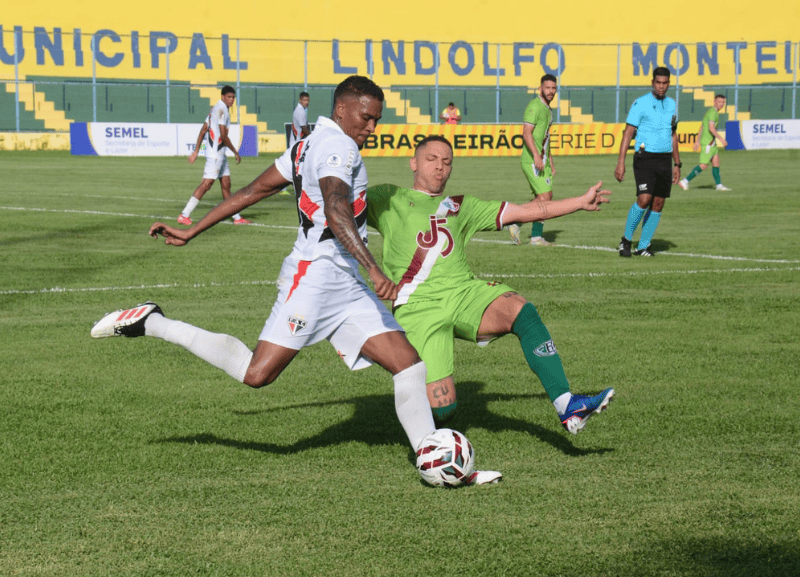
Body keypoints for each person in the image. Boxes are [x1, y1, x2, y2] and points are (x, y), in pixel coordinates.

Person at [90, 77, 501, 486]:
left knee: (407, 364)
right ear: (342, 109)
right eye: (366, 117)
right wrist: (373, 267)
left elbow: (255, 190)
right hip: (316, 277)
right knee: (257, 374)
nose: (371, 127)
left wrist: (193, 229)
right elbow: (337, 209)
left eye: (377, 119)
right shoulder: (337, 146)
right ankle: (152, 321)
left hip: (345, 280)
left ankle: (440, 465)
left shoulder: (309, 142)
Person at [366, 135, 614, 433]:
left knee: (521, 310)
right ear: (413, 163)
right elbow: (340, 208)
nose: (440, 167)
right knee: (443, 410)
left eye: (447, 162)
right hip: (418, 308)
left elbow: (525, 211)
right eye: (432, 159)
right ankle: (432, 444)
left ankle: (567, 405)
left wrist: (579, 202)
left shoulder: (460, 205)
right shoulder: (386, 197)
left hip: (463, 294)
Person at [614, 66, 681, 257]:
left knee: (658, 203)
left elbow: (673, 134)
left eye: (665, 83)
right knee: (644, 199)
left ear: (669, 83)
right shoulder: (640, 103)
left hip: (664, 159)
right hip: (644, 157)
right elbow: (628, 133)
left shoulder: (671, 104)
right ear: (652, 83)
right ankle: (625, 240)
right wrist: (621, 161)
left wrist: (677, 163)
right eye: (658, 83)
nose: (661, 86)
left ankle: (643, 246)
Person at [179, 85, 251, 226]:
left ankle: (236, 218)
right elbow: (223, 136)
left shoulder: (214, 109)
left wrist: (196, 151)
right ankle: (184, 214)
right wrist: (235, 152)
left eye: (233, 97)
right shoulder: (222, 110)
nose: (231, 100)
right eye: (229, 97)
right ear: (223, 96)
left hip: (219, 154)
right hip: (216, 154)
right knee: (206, 184)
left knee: (226, 185)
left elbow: (204, 129)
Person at [509, 74, 558, 246]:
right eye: (548, 88)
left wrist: (549, 160)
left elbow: (544, 137)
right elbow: (526, 133)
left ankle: (535, 235)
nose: (551, 91)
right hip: (531, 160)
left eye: (553, 88)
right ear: (540, 88)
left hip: (541, 160)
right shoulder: (534, 106)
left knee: (546, 197)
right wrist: (537, 156)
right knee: (545, 196)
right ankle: (516, 221)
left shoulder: (548, 109)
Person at [679, 94, 731, 192]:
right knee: (703, 165)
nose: (721, 104)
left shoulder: (712, 112)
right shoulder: (712, 113)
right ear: (714, 102)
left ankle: (719, 186)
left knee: (716, 162)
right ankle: (684, 181)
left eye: (723, 102)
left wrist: (697, 141)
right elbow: (711, 128)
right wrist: (721, 139)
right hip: (708, 143)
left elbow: (703, 126)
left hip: (712, 143)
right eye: (719, 102)